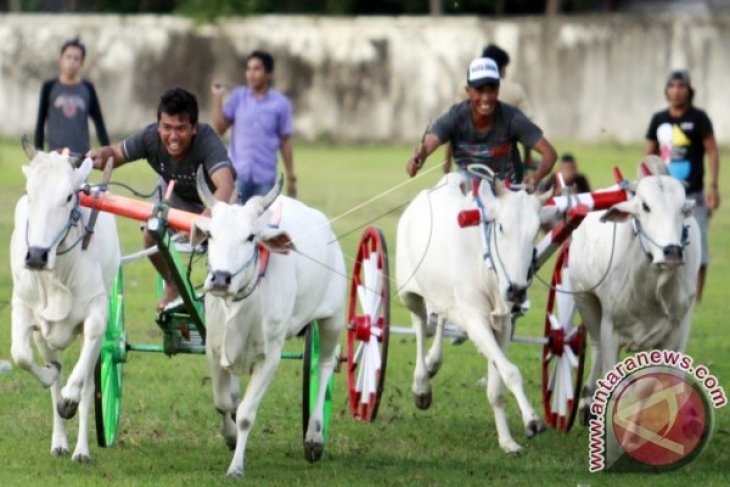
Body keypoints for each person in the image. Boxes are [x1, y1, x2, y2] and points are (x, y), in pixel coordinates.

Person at [87, 88, 236, 310]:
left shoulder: (207, 141)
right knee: (150, 232)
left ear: (194, 128)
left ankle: (222, 297)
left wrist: (202, 222)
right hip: (176, 199)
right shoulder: (150, 138)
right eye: (166, 127)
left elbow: (226, 186)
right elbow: (116, 154)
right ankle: (172, 283)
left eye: (180, 128)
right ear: (158, 126)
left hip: (215, 203)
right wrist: (101, 155)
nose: (173, 136)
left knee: (226, 247)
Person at [407, 56, 557, 189]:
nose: (485, 98)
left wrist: (536, 177)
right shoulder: (455, 116)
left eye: (491, 90)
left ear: (498, 90)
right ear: (468, 91)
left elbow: (550, 153)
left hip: (506, 192)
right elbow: (430, 143)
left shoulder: (512, 118)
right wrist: (420, 157)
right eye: (479, 90)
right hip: (468, 189)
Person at [645, 69, 720, 303]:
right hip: (665, 196)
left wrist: (714, 187)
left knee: (699, 244)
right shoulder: (659, 119)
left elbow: (712, 151)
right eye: (673, 86)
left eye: (681, 87)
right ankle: (662, 292)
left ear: (689, 90)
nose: (676, 91)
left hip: (693, 193)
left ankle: (695, 297)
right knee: (662, 240)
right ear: (667, 90)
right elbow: (648, 155)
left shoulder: (699, 118)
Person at [211, 50, 296, 203]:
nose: (251, 74)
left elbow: (285, 142)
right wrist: (217, 98)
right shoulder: (238, 97)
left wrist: (291, 177)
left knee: (262, 224)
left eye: (257, 69)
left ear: (268, 73)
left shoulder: (281, 104)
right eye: (248, 69)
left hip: (265, 178)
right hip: (238, 175)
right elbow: (220, 129)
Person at [443, 43, 535, 174]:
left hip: (471, 162)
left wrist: (447, 162)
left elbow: (453, 127)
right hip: (506, 165)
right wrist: (527, 158)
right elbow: (528, 129)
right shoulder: (515, 90)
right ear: (502, 68)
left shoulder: (467, 88)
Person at [34, 37, 109, 154]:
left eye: (76, 58)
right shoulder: (49, 87)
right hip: (56, 155)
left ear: (82, 62)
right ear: (61, 59)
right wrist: (38, 154)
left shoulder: (88, 88)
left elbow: (99, 123)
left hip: (81, 156)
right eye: (68, 57)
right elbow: (40, 123)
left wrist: (108, 152)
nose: (72, 62)